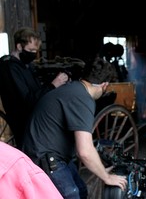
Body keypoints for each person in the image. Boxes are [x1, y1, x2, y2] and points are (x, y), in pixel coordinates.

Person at [22, 63, 127, 199]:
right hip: (43, 158)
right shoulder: (83, 98)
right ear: (104, 85)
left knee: (81, 190)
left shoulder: (73, 89)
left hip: (49, 153)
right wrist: (106, 177)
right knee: (73, 195)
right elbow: (84, 151)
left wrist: (100, 169)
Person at [0, 27, 69, 149]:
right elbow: (27, 100)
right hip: (24, 120)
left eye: (35, 51)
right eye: (30, 50)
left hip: (34, 114)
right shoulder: (11, 67)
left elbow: (36, 89)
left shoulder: (27, 65)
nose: (33, 54)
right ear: (19, 47)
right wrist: (52, 85)